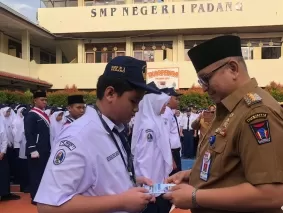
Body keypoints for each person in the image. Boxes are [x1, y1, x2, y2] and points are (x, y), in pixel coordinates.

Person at [164, 35, 283, 212]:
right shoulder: (229, 110)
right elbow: (229, 168)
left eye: (206, 79)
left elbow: (272, 193)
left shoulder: (257, 114)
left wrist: (195, 196)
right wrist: (193, 175)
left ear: (233, 69)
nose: (204, 87)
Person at [35, 56, 161, 213]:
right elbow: (48, 207)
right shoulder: (79, 136)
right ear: (110, 94)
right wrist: (121, 201)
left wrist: (128, 180)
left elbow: (99, 177)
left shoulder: (113, 127)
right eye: (133, 101)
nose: (137, 109)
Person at [131, 92, 173, 213]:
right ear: (154, 104)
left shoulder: (157, 121)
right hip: (151, 186)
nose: (166, 105)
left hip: (159, 182)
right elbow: (144, 159)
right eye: (163, 103)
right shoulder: (148, 126)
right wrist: (148, 190)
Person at [24, 90, 51, 205]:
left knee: (43, 173)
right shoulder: (31, 115)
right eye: (42, 100)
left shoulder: (43, 113)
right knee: (36, 174)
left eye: (45, 100)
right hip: (36, 150)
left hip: (45, 149)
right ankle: (35, 197)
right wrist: (32, 149)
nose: (44, 102)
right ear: (35, 100)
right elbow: (28, 133)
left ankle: (42, 195)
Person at [161, 87, 182, 174]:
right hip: (172, 152)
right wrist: (171, 159)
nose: (178, 101)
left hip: (175, 151)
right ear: (168, 99)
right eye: (176, 98)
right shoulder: (165, 114)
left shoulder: (170, 112)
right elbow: (165, 138)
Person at [12, 106, 30, 193]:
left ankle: (25, 186)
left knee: (25, 169)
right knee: (25, 169)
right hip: (24, 150)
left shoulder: (24, 123)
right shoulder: (23, 123)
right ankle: (24, 187)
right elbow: (18, 138)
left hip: (25, 150)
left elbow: (18, 137)